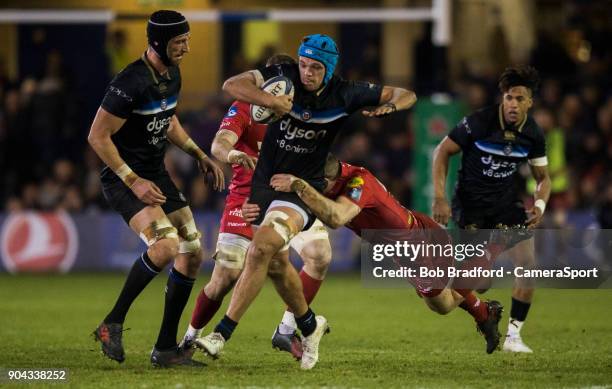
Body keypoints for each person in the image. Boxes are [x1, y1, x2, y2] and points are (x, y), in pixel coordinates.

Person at [196, 34, 417, 370]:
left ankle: (221, 334)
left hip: (301, 188)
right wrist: (269, 101)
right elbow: (232, 84)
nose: (307, 73)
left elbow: (406, 94)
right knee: (277, 266)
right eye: (303, 64)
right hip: (263, 186)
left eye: (315, 67)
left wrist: (389, 106)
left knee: (261, 250)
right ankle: (309, 326)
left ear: (328, 71)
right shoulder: (282, 78)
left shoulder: (346, 92)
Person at [254, 155, 504, 354]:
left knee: (444, 304)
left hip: (418, 248)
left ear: (328, 181)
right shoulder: (334, 177)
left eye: (318, 185)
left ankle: (492, 249)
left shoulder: (358, 184)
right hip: (408, 241)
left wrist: (300, 187)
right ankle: (485, 311)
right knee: (440, 298)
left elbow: (337, 217)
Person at [88, 10, 224, 367]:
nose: (187, 48)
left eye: (188, 40)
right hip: (125, 178)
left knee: (193, 252)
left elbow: (168, 120)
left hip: (155, 173)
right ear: (159, 43)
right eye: (180, 42)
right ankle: (111, 323)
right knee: (165, 247)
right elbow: (97, 136)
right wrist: (133, 181)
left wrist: (199, 154)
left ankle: (164, 349)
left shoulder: (171, 74)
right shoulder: (129, 82)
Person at [180, 54, 332, 361]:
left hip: (289, 198)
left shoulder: (302, 111)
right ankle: (188, 339)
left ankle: (286, 329)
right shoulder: (246, 108)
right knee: (226, 275)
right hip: (247, 199)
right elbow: (219, 144)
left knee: (319, 255)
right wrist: (234, 155)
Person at [432, 66, 551, 353]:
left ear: (529, 103)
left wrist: (539, 204)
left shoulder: (533, 134)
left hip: (506, 205)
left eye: (520, 99)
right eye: (509, 97)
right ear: (502, 98)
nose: (513, 104)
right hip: (471, 208)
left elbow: (543, 178)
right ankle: (481, 306)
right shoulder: (479, 122)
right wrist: (440, 198)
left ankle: (513, 336)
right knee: (482, 283)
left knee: (528, 265)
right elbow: (442, 151)